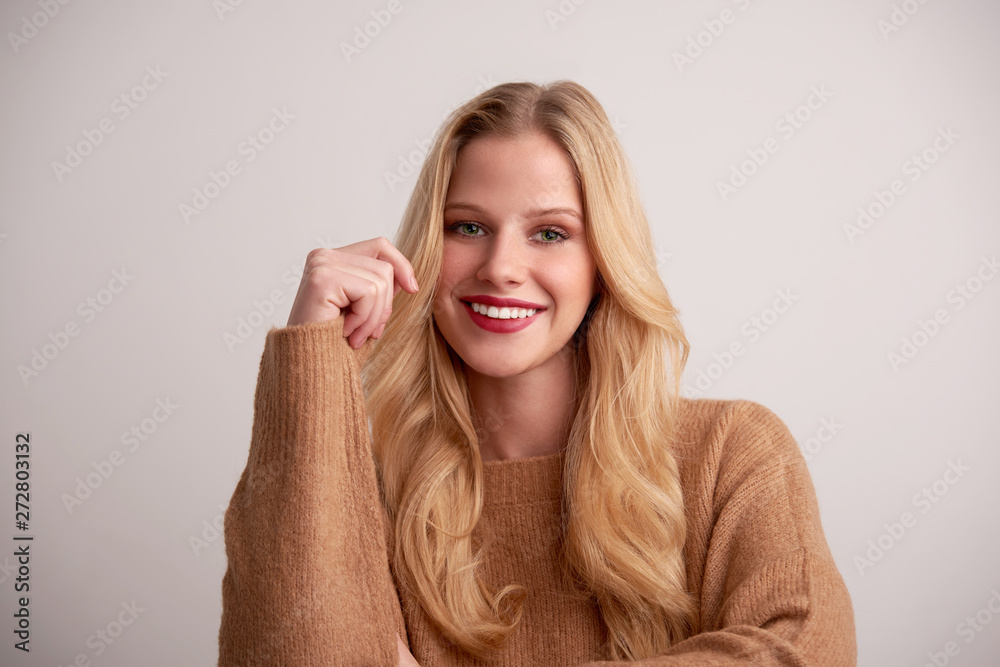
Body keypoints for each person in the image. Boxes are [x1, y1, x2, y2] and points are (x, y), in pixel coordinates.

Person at [218, 81, 856, 666]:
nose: (500, 267)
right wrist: (311, 357)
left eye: (550, 234)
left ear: (603, 264)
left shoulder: (731, 453)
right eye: (467, 226)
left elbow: (804, 653)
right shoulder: (369, 486)